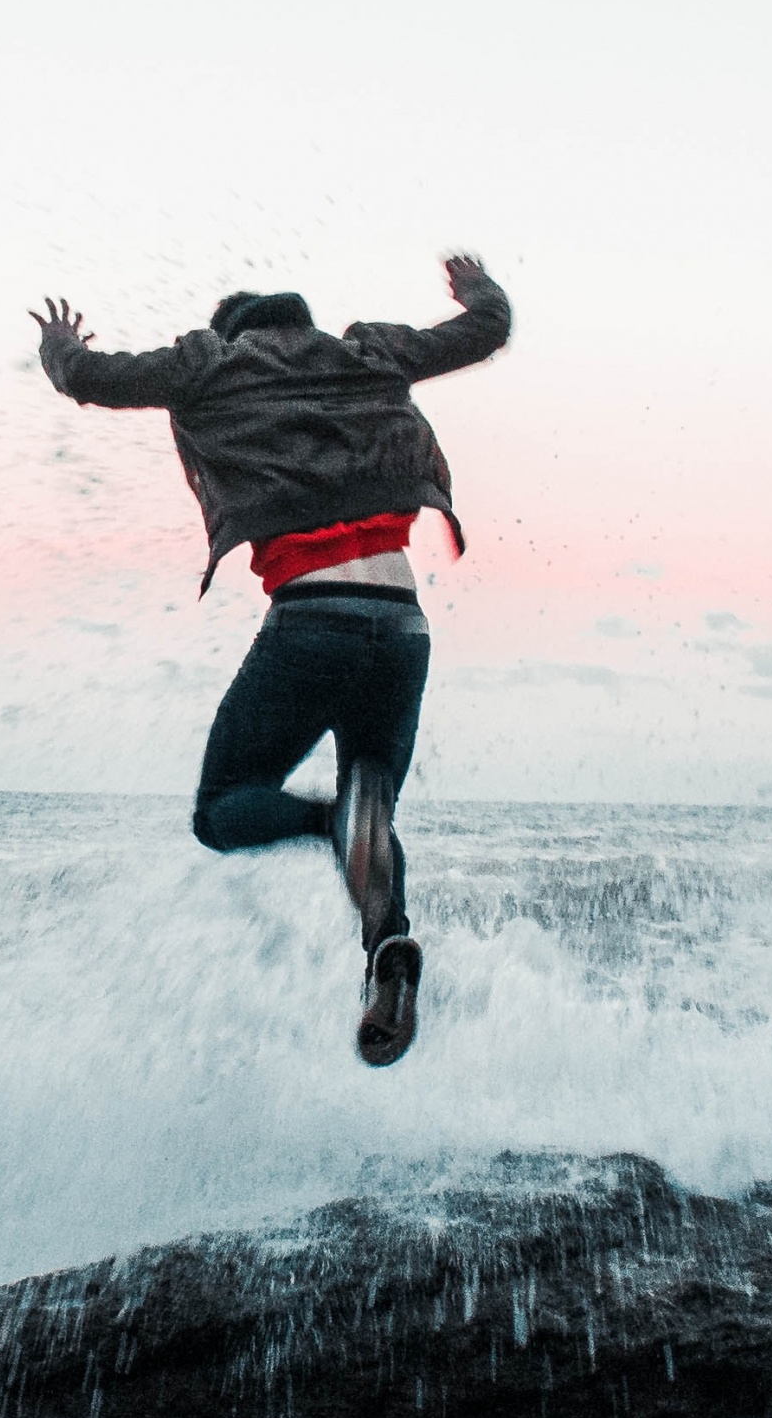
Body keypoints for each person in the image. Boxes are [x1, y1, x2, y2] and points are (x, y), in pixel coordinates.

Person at [32, 255, 512, 1065]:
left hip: (313, 619)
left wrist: (58, 346)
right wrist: (477, 288)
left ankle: (331, 823)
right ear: (299, 319)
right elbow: (485, 330)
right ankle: (388, 949)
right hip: (402, 627)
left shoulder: (211, 365)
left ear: (236, 333)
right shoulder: (368, 353)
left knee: (223, 808)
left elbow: (94, 378)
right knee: (375, 805)